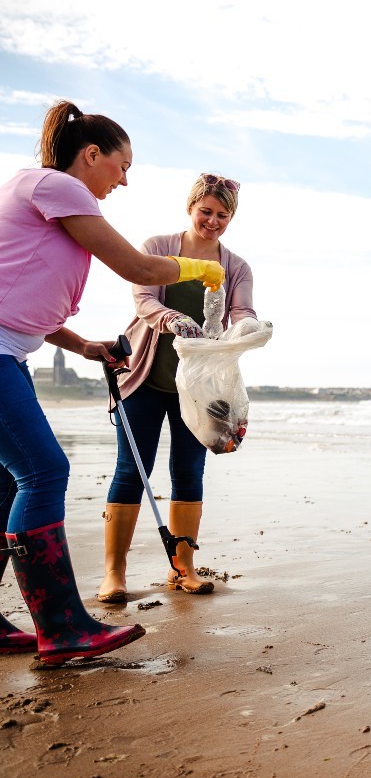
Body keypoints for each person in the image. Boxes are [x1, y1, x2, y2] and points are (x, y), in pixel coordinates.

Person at [0, 100, 224, 666]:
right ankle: (62, 626)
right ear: (91, 154)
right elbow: (141, 269)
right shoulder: (58, 185)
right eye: (121, 166)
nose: (123, 180)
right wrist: (203, 269)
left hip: (12, 351)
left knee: (7, 482)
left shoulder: (45, 194)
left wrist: (83, 346)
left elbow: (26, 303)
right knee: (44, 470)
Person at [96, 173, 255, 602]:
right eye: (206, 211)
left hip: (198, 389)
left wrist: (250, 327)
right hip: (143, 376)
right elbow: (145, 300)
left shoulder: (235, 266)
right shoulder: (157, 247)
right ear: (191, 208)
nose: (213, 221)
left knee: (188, 472)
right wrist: (172, 320)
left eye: (223, 215)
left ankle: (182, 568)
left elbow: (241, 311)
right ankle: (114, 573)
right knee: (133, 471)